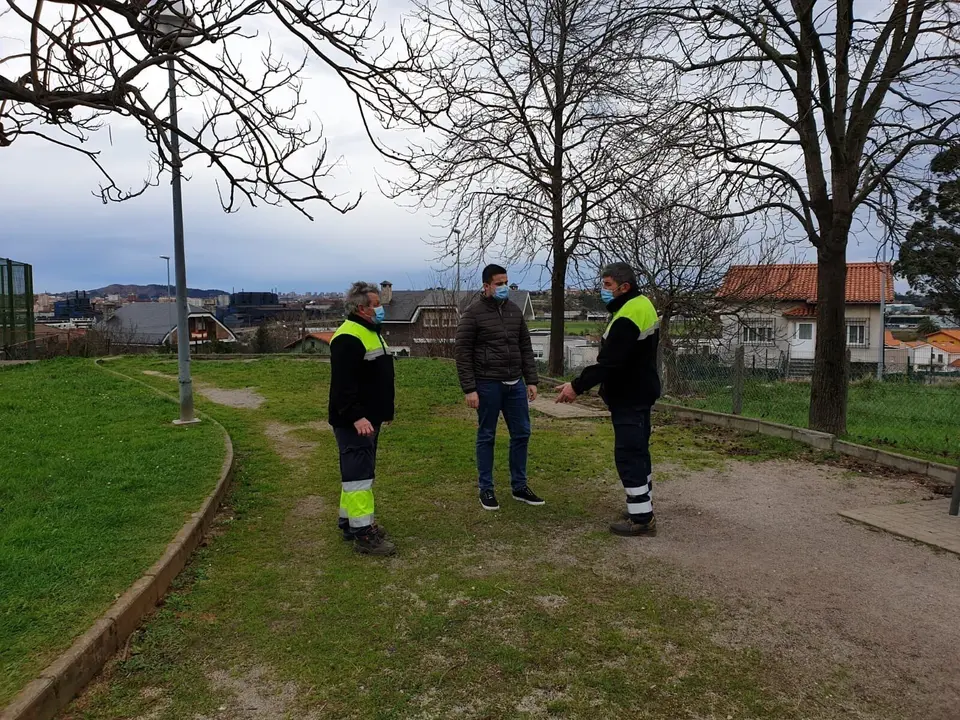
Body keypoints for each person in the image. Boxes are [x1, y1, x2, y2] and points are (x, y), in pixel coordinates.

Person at [556, 262, 661, 537]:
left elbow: (610, 363)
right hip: (640, 391)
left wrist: (576, 387)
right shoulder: (642, 304)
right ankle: (642, 506)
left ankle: (641, 518)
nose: (603, 291)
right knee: (639, 451)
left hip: (630, 394)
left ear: (623, 287)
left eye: (607, 286)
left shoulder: (627, 315)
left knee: (629, 454)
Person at [455, 264, 543, 511]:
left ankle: (519, 486)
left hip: (515, 384)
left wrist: (532, 380)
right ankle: (486, 488)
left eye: (506, 282)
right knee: (487, 435)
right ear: (486, 286)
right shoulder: (473, 314)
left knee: (522, 433)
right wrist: (469, 389)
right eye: (499, 283)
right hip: (487, 385)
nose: (504, 287)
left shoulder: (515, 311)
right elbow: (462, 353)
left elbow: (525, 347)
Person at [328, 281, 396, 556]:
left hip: (368, 418)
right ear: (362, 308)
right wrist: (357, 416)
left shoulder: (369, 331)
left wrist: (382, 413)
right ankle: (363, 532)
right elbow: (343, 385)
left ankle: (348, 522)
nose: (381, 309)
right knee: (359, 477)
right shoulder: (348, 337)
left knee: (355, 473)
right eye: (376, 304)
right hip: (355, 421)